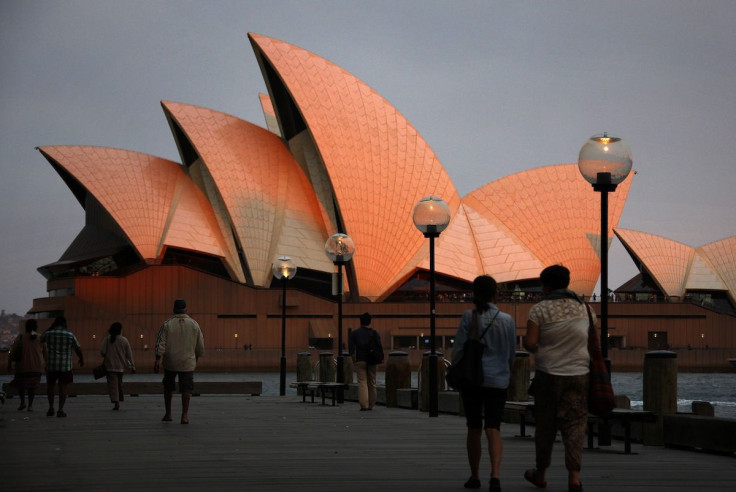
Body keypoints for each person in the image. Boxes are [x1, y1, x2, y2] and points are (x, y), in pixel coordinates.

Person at [523, 265, 593, 492]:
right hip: (579, 374)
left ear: (544, 285)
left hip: (549, 375)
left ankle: (541, 474)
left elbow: (531, 343)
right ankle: (574, 477)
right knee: (575, 425)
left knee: (545, 426)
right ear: (567, 282)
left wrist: (541, 343)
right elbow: (592, 339)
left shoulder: (539, 310)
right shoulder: (585, 308)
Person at [452, 275, 516, 492]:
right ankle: (495, 475)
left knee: (474, 427)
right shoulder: (507, 319)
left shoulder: (469, 317)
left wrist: (455, 368)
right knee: (493, 427)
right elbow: (511, 353)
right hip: (498, 380)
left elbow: (459, 349)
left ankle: (475, 475)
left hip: (472, 380)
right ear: (496, 293)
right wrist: (507, 373)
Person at [154, 299, 204, 424]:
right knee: (186, 390)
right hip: (187, 361)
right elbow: (200, 344)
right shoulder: (194, 324)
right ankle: (184, 416)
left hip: (170, 361)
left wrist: (157, 359)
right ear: (186, 309)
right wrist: (197, 356)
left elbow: (161, 343)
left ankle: (168, 414)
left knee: (168, 388)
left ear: (174, 309)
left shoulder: (167, 324)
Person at [40, 316, 84, 417]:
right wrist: (82, 359)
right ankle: (60, 410)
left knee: (50, 386)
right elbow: (77, 348)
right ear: (65, 324)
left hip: (51, 365)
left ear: (55, 323)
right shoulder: (70, 334)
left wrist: (50, 328)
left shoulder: (48, 333)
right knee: (63, 387)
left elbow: (41, 338)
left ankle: (51, 408)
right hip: (65, 366)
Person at [7, 319, 45, 411]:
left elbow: (11, 353)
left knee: (21, 386)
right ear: (36, 327)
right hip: (37, 367)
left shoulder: (20, 338)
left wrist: (9, 364)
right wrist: (46, 365)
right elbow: (46, 353)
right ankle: (30, 405)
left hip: (22, 367)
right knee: (32, 387)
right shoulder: (41, 338)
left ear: (26, 327)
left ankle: (22, 402)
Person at [348, 312, 383, 411]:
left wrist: (354, 359)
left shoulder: (355, 333)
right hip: (372, 360)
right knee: (372, 382)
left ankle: (364, 405)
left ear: (360, 321)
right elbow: (379, 347)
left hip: (360, 359)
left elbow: (351, 348)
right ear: (370, 321)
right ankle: (371, 404)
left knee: (362, 382)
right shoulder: (375, 333)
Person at [100, 322, 136, 410]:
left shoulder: (107, 339)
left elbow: (102, 352)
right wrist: (133, 366)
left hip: (110, 366)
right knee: (119, 384)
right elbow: (129, 354)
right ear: (120, 330)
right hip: (121, 366)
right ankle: (119, 400)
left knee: (113, 385)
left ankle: (116, 402)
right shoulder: (124, 340)